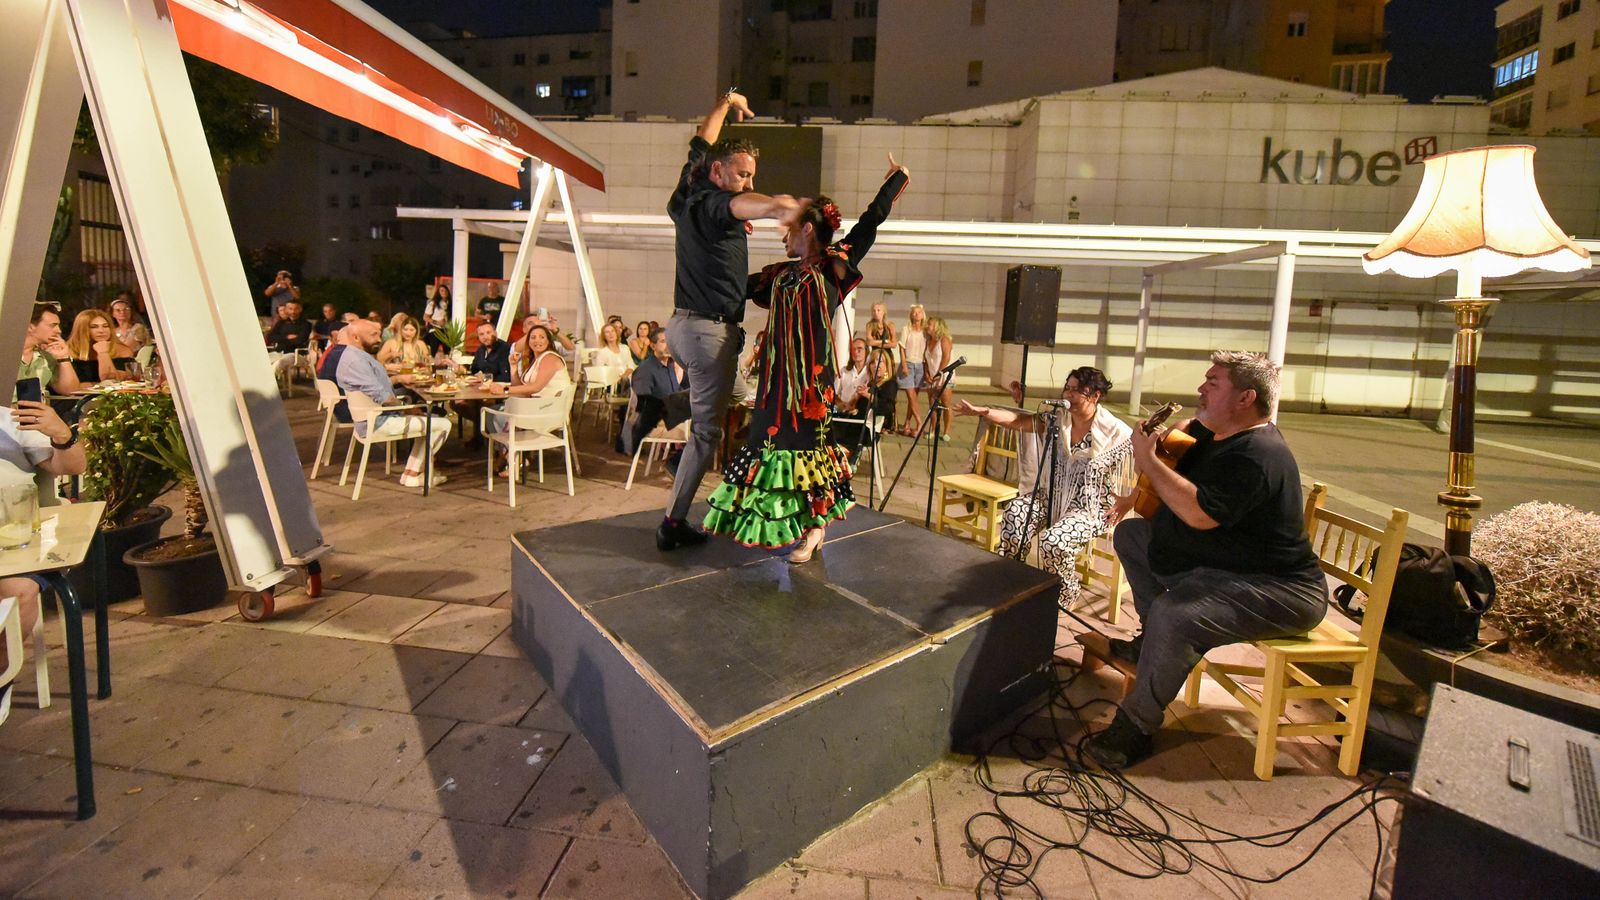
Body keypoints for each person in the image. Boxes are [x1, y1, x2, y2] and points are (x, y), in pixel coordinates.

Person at [1084, 351, 1328, 769]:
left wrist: (1145, 460)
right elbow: (1179, 447)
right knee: (1132, 535)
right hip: (1223, 566)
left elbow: (1198, 513)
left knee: (1174, 614)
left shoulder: (1259, 455)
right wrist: (1165, 445)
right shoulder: (1214, 432)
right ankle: (1152, 645)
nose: (1200, 389)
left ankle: (1136, 724)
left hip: (1278, 588)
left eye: (1213, 383)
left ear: (1245, 398)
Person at [704, 155, 910, 562]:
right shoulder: (777, 275)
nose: (784, 239)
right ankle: (773, 521)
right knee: (766, 445)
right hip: (774, 385)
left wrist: (897, 179)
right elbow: (728, 287)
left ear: (809, 229)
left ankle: (815, 529)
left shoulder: (835, 266)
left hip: (811, 386)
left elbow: (870, 222)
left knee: (809, 454)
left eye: (790, 231)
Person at [658, 88, 807, 552]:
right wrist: (775, 205)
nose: (745, 182)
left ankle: (674, 407)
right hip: (707, 335)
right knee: (709, 433)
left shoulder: (689, 185)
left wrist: (726, 103)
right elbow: (738, 206)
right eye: (742, 174)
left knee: (743, 394)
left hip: (683, 329)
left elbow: (702, 138)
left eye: (751, 177)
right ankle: (673, 523)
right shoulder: (711, 205)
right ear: (719, 172)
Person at [953, 367, 1133, 609]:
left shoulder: (1116, 431)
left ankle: (1064, 590)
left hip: (1090, 508)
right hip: (1052, 495)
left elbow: (1147, 464)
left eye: (1077, 390)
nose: (1068, 394)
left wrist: (1129, 500)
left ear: (1095, 395)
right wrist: (984, 412)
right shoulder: (1059, 420)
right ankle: (1016, 580)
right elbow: (1018, 421)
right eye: (1067, 388)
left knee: (1053, 541)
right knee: (1016, 513)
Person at [0, 398, 87, 713]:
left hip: (14, 541)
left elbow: (73, 466)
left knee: (19, 591)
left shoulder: (11, 419)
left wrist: (62, 435)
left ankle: (0, 682)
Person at [325, 319, 450, 489]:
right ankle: (413, 475)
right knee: (443, 424)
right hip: (377, 422)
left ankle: (411, 473)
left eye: (379, 334)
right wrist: (406, 408)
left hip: (374, 418)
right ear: (355, 337)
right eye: (373, 335)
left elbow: (377, 390)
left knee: (431, 417)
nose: (379, 339)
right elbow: (383, 397)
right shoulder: (356, 361)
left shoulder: (355, 356)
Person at [619, 328, 688, 457]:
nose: (669, 346)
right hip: (653, 425)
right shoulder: (645, 370)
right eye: (663, 341)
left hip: (667, 418)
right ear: (652, 346)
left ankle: (679, 463)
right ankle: (677, 465)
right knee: (702, 432)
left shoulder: (671, 365)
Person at [486, 325, 571, 398]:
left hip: (547, 408)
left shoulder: (550, 358)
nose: (537, 340)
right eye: (533, 337)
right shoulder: (535, 360)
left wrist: (504, 389)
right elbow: (519, 388)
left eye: (542, 337)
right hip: (534, 405)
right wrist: (513, 366)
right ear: (528, 342)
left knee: (492, 414)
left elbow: (536, 387)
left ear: (548, 341)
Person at [18, 304, 83, 395]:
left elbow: (70, 390)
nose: (59, 331)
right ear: (30, 327)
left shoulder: (46, 357)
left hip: (36, 408)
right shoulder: (5, 354)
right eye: (53, 325)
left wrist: (63, 357)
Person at [65, 309, 136, 385]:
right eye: (94, 327)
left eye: (105, 326)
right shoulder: (67, 351)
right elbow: (68, 386)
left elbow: (111, 380)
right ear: (82, 330)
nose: (101, 330)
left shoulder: (123, 351)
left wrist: (103, 353)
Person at [921, 315, 955, 440]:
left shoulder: (944, 340)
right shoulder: (928, 340)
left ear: (937, 326)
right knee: (932, 405)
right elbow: (925, 360)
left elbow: (946, 357)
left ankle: (946, 432)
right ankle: (933, 430)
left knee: (946, 403)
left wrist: (939, 373)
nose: (927, 326)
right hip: (931, 377)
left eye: (930, 324)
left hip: (944, 376)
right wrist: (927, 374)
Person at [896, 304, 926, 434]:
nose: (916, 314)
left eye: (919, 312)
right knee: (911, 395)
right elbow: (901, 347)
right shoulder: (906, 329)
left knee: (913, 398)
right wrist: (903, 364)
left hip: (920, 364)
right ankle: (920, 423)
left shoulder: (925, 331)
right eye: (914, 312)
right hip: (908, 363)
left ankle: (907, 423)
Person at [265, 300, 312, 382]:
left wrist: (280, 339)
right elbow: (271, 337)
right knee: (263, 360)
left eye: (296, 309)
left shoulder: (306, 324)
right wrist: (286, 337)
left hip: (296, 354)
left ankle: (268, 382)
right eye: (290, 309)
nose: (293, 311)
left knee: (279, 362)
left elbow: (299, 340)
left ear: (300, 309)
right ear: (286, 309)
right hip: (279, 352)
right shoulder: (281, 323)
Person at [864, 302, 896, 384]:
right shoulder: (870, 325)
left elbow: (894, 344)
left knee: (888, 378)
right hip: (875, 356)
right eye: (874, 311)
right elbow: (869, 342)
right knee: (875, 378)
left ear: (883, 312)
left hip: (887, 356)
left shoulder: (890, 325)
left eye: (878, 310)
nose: (876, 313)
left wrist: (876, 342)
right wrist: (885, 341)